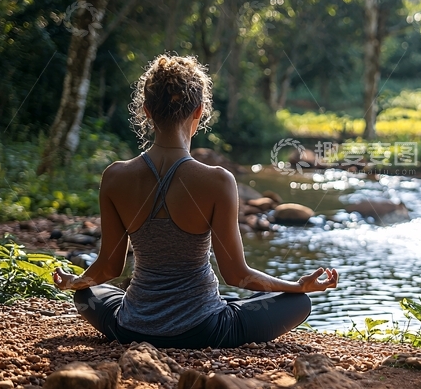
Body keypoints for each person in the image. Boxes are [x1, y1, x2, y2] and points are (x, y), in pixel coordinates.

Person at [52, 54, 338, 349]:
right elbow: (237, 274)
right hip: (205, 329)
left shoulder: (115, 176)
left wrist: (75, 282)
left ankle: (135, 309)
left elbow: (109, 269)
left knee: (87, 294)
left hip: (130, 327)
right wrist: (297, 285)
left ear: (147, 111)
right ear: (199, 111)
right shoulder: (218, 180)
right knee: (299, 303)